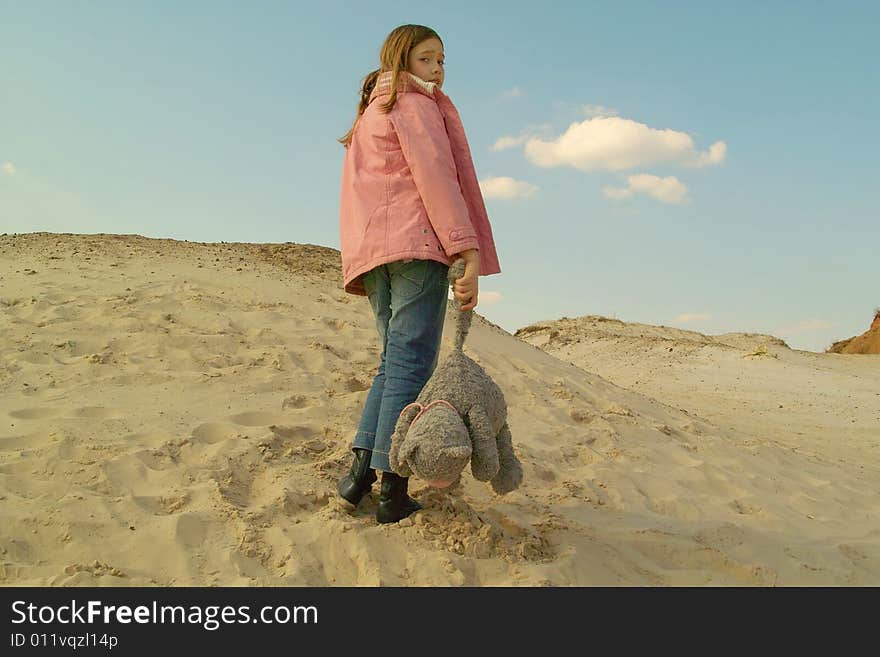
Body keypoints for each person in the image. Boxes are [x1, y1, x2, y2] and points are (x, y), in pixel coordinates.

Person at [336, 24, 501, 524]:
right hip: (415, 246)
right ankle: (393, 488)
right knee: (409, 365)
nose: (437, 71)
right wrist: (465, 247)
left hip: (376, 252)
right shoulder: (414, 105)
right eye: (427, 59)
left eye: (442, 61)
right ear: (401, 58)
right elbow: (436, 177)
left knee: (392, 362)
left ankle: (359, 473)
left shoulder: (371, 112)